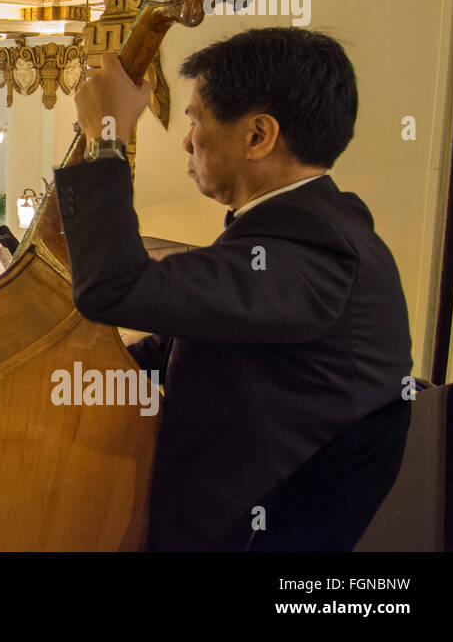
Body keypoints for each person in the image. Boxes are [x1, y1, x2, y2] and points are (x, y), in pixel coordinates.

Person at [57, 28, 412, 550]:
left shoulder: (317, 250)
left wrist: (106, 136)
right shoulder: (310, 225)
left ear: (257, 136)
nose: (186, 139)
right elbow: (206, 338)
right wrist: (97, 373)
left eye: (195, 119)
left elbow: (114, 287)